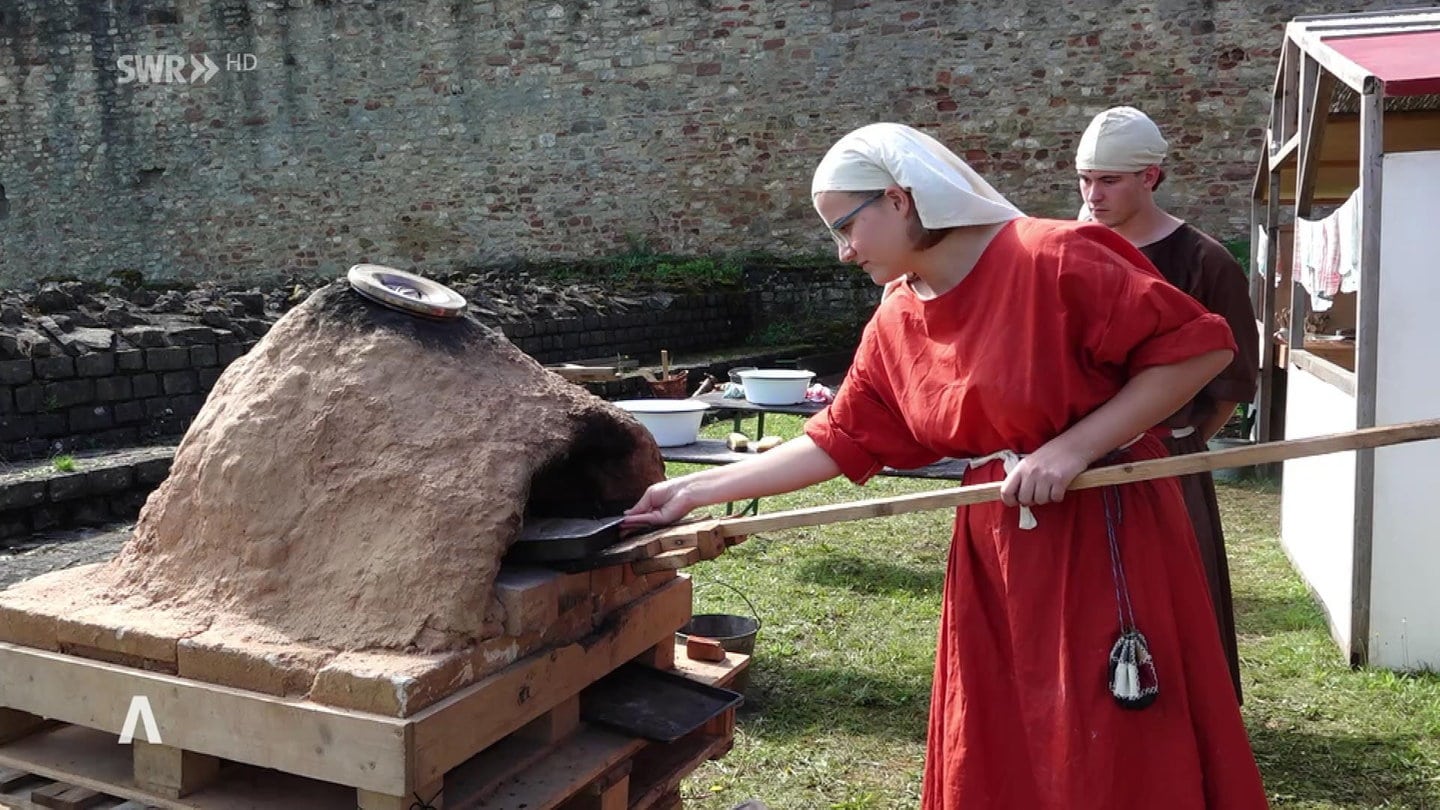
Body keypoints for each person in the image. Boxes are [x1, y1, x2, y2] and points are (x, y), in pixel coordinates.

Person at [623, 123, 1269, 809]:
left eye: (846, 226)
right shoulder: (898, 316)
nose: (843, 252)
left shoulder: (1053, 256)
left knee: (1105, 732)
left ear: (900, 200)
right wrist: (693, 490)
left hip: (1100, 521)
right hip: (994, 546)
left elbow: (1199, 351)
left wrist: (1073, 447)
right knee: (1001, 728)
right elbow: (841, 436)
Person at [1076, 106, 1260, 702]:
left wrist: (1177, 440)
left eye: (1109, 180)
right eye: (1084, 179)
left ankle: (1192, 711)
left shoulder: (1205, 261)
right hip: (1077, 460)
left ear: (1150, 177)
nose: (1092, 194)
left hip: (1167, 459)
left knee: (1180, 593)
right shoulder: (1071, 251)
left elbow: (1229, 384)